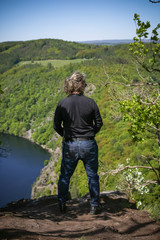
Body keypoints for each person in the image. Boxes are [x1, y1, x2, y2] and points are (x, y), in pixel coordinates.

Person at [54, 71, 103, 214]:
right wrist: (90, 133)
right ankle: (94, 206)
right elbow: (99, 123)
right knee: (92, 175)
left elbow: (56, 125)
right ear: (81, 85)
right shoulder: (90, 102)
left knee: (65, 176)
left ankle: (62, 204)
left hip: (70, 144)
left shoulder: (63, 103)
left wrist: (66, 135)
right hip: (88, 144)